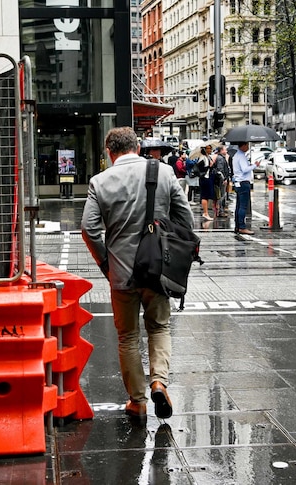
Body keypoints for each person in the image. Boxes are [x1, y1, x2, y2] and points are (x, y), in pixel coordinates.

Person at [81, 127, 193, 420]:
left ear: (109, 152)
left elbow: (89, 229)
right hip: (157, 268)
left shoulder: (99, 182)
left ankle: (137, 402)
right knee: (159, 328)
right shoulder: (165, 173)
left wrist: (106, 264)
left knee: (127, 337)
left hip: (121, 273)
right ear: (138, 147)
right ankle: (159, 381)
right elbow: (187, 220)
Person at [230, 140, 254, 234]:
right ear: (243, 146)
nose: (248, 147)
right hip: (243, 182)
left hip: (238, 183)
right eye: (247, 145)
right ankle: (242, 227)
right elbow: (244, 169)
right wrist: (254, 165)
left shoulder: (236, 156)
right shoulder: (241, 156)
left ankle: (237, 226)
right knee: (243, 206)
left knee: (239, 206)